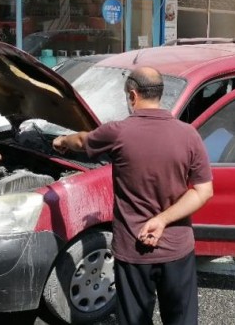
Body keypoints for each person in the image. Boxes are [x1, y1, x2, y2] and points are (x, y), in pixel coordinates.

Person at [52, 66, 214, 324]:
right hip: (177, 249)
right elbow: (204, 191)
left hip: (134, 250)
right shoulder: (189, 135)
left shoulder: (118, 132)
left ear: (133, 95)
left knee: (134, 319)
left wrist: (61, 140)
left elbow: (82, 142)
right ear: (160, 94)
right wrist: (162, 220)